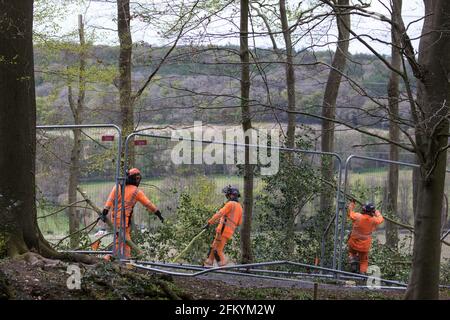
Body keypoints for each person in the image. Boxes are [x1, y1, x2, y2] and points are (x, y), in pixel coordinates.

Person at [101, 168, 164, 259]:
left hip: (116, 220)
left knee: (125, 242)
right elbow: (149, 204)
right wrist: (158, 214)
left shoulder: (117, 186)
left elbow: (109, 202)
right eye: (137, 178)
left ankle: (126, 261)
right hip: (123, 221)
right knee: (121, 242)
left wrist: (104, 214)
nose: (138, 180)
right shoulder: (136, 192)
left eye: (139, 178)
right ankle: (108, 259)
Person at [203, 185, 243, 267]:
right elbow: (239, 223)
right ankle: (207, 265)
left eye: (227, 195)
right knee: (213, 248)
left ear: (231, 195)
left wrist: (209, 223)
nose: (227, 197)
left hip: (222, 231)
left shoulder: (230, 204)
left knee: (217, 251)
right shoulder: (240, 207)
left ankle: (223, 269)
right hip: (228, 232)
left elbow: (219, 213)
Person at [347, 200, 384, 274]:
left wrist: (352, 204)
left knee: (352, 253)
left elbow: (350, 213)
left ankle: (353, 262)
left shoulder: (357, 216)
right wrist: (377, 212)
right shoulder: (374, 220)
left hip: (353, 243)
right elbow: (381, 219)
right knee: (363, 261)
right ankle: (362, 275)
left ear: (363, 209)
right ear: (372, 211)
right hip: (364, 246)